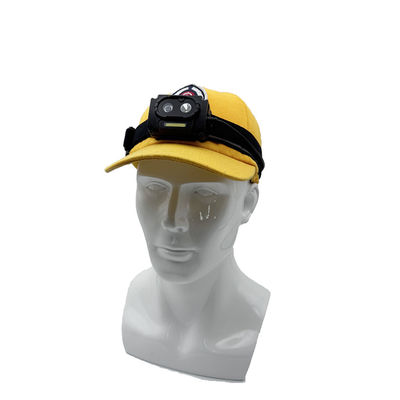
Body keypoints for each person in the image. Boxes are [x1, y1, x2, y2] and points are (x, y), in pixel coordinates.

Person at [105, 84, 270, 381]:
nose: (173, 220)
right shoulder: (134, 306)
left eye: (204, 194)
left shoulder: (265, 326)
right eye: (154, 188)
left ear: (247, 204)